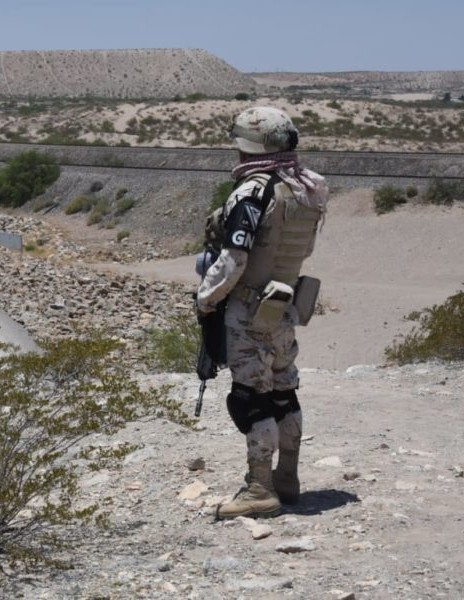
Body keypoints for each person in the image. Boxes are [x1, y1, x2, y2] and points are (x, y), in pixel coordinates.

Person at [196, 106, 329, 520]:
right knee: (283, 392)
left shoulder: (254, 193)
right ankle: (288, 479)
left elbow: (235, 258)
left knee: (250, 398)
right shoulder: (305, 189)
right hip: (285, 305)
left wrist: (207, 297)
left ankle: (260, 489)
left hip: (250, 310)